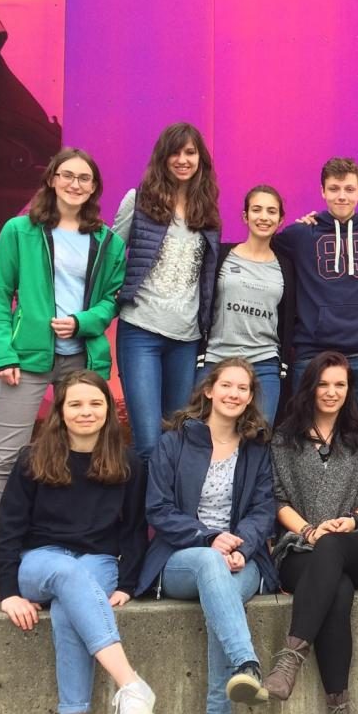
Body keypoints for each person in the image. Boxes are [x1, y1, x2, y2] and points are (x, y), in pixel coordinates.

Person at [0, 147, 126, 602]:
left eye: (85, 178)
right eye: (67, 175)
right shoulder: (19, 230)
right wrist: (3, 353)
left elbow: (111, 300)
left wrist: (84, 322)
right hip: (26, 359)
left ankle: (61, 546)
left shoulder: (108, 241)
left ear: (93, 188)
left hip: (81, 361)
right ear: (52, 180)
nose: (75, 184)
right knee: (4, 457)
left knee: (81, 457)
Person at [0, 371, 154, 714]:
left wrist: (126, 583)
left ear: (108, 410)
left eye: (95, 404)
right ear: (60, 413)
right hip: (39, 563)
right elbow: (7, 531)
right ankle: (130, 683)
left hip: (97, 563)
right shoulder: (32, 460)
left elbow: (134, 530)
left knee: (68, 612)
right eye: (76, 405)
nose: (86, 412)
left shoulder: (128, 464)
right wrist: (8, 591)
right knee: (65, 573)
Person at [134, 358, 277, 714]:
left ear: (250, 398)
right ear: (209, 390)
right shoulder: (174, 442)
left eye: (243, 388)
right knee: (211, 568)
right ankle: (247, 665)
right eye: (227, 385)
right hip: (182, 558)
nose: (234, 394)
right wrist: (211, 539)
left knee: (224, 591)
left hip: (242, 560)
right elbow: (158, 509)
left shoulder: (256, 448)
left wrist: (241, 546)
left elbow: (264, 510)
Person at [266, 352, 358, 714]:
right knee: (337, 591)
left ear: (349, 389)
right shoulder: (284, 436)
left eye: (340, 384)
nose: (332, 392)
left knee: (334, 552)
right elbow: (277, 498)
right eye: (324, 384)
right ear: (310, 386)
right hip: (299, 545)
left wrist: (352, 519)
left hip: (356, 540)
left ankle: (290, 657)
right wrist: (306, 530)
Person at [113, 122, 221, 462]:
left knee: (176, 440)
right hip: (140, 331)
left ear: (200, 159)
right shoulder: (138, 200)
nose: (182, 160)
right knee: (147, 442)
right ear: (162, 157)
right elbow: (111, 257)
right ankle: (140, 516)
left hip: (186, 339)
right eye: (175, 152)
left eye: (190, 152)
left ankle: (168, 516)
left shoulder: (207, 212)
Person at [274, 157, 358, 422]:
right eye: (334, 188)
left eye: (349, 189)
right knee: (307, 435)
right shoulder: (301, 234)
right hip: (312, 354)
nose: (342, 196)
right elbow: (259, 249)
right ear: (322, 191)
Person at [202, 184, 291, 424]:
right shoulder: (220, 255)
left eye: (272, 211)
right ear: (245, 216)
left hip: (263, 362)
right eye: (257, 210)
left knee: (258, 440)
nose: (264, 217)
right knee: (203, 436)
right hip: (217, 358)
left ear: (281, 219)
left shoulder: (286, 265)